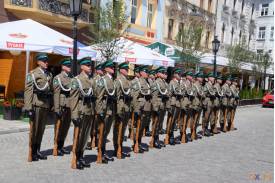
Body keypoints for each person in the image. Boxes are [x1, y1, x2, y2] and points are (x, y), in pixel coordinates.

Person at [24, 53, 52, 162]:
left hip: (45, 105)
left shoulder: (49, 74)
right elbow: (28, 91)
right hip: (36, 105)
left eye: (47, 61)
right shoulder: (32, 74)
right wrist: (28, 108)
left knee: (41, 129)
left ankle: (38, 151)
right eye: (44, 61)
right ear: (38, 62)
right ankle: (32, 151)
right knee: (34, 129)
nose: (46, 63)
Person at [70, 57, 96, 169]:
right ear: (82, 67)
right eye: (87, 65)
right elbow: (73, 99)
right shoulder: (76, 80)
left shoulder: (91, 80)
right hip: (80, 111)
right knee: (79, 136)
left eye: (90, 65)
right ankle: (76, 158)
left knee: (85, 136)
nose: (90, 67)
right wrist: (74, 115)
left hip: (89, 111)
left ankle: (81, 156)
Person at [95, 60, 116, 164]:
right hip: (104, 109)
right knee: (101, 132)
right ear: (106, 68)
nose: (113, 68)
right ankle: (100, 152)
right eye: (111, 67)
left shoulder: (112, 79)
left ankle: (103, 152)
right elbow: (99, 97)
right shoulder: (103, 80)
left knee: (106, 132)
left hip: (110, 109)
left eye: (113, 67)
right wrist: (99, 111)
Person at [52, 58, 72, 156]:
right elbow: (56, 94)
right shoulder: (58, 78)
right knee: (59, 128)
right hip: (62, 105)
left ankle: (61, 145)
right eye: (68, 66)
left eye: (70, 66)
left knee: (66, 127)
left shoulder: (71, 78)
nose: (70, 67)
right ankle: (56, 146)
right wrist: (57, 109)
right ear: (63, 67)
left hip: (69, 105)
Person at [112, 62, 132, 159]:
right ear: (121, 70)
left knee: (123, 129)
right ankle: (117, 148)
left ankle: (121, 147)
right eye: (125, 69)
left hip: (127, 107)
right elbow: (117, 97)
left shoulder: (127, 81)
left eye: (127, 69)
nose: (127, 71)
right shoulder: (118, 81)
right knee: (118, 130)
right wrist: (119, 110)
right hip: (121, 108)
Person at [132, 65, 151, 153]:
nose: (147, 74)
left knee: (142, 126)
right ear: (141, 73)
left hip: (146, 107)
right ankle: (135, 143)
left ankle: (139, 142)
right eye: (146, 72)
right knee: (137, 126)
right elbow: (135, 97)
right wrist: (136, 109)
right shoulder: (138, 82)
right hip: (140, 107)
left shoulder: (147, 82)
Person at [150, 67, 169, 149]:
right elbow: (154, 96)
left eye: (165, 73)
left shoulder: (164, 82)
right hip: (157, 105)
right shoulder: (156, 83)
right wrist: (155, 107)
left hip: (162, 105)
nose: (165, 74)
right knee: (156, 123)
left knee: (160, 123)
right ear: (158, 74)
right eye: (163, 72)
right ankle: (154, 140)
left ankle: (156, 138)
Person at [87, 63, 104, 150]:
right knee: (93, 124)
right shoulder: (95, 79)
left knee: (97, 124)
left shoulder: (102, 79)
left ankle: (96, 139)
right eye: (100, 69)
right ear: (97, 71)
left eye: (103, 69)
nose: (102, 71)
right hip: (95, 105)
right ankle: (92, 139)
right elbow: (96, 95)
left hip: (100, 105)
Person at [165, 68, 182, 145]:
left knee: (174, 121)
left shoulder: (178, 83)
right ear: (175, 74)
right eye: (179, 74)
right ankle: (169, 136)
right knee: (171, 121)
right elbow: (168, 94)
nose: (180, 76)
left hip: (177, 103)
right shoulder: (172, 82)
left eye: (180, 74)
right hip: (173, 103)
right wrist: (168, 105)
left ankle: (171, 135)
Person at [191, 71, 205, 140]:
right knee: (194, 119)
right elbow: (193, 95)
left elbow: (203, 94)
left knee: (197, 120)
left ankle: (194, 132)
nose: (202, 78)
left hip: (199, 104)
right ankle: (192, 133)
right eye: (200, 77)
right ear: (197, 78)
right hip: (195, 104)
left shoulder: (200, 85)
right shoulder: (195, 85)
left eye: (202, 77)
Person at [202, 72, 216, 136]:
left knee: (210, 116)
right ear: (209, 78)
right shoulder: (207, 85)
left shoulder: (211, 85)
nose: (213, 78)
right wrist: (209, 94)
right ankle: (204, 129)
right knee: (206, 117)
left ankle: (207, 129)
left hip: (211, 102)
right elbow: (204, 93)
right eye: (212, 77)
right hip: (207, 102)